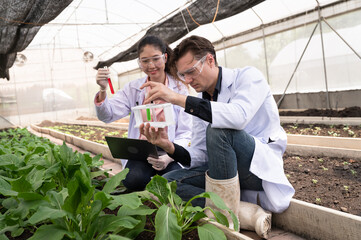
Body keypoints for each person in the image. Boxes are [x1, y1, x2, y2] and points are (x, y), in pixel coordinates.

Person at [139, 35, 295, 239]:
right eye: (182, 75)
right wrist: (169, 147)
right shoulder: (198, 102)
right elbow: (201, 155)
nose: (187, 80)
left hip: (255, 168)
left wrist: (177, 98)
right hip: (223, 172)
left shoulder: (248, 77)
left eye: (191, 72)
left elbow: (238, 117)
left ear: (210, 60)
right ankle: (242, 212)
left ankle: (227, 221)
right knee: (164, 185)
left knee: (219, 130)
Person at [94, 35, 192, 191]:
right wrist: (103, 89)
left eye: (155, 59)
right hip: (142, 152)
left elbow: (186, 131)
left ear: (165, 57)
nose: (151, 65)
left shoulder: (180, 90)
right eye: (145, 61)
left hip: (170, 150)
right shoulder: (134, 89)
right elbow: (107, 115)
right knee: (133, 180)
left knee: (176, 184)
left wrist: (168, 157)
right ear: (140, 62)